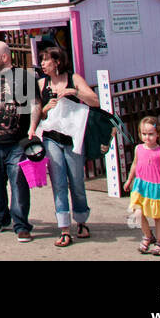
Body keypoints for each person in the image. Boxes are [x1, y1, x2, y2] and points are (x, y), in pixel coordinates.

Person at [32, 46, 99, 247]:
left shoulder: (74, 79)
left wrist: (74, 92)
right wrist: (45, 108)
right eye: (42, 60)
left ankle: (81, 221)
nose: (42, 64)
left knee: (76, 181)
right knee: (58, 182)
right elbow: (36, 113)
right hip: (51, 137)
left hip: (72, 137)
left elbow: (94, 101)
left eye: (46, 60)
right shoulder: (41, 83)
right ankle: (63, 228)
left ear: (57, 62)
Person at [0, 40, 39, 243]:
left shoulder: (25, 78)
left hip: (16, 142)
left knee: (18, 184)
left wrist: (32, 128)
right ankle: (0, 217)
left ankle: (21, 225)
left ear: (5, 57)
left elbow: (36, 104)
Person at [124, 116, 160, 255]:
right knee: (138, 212)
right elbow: (134, 164)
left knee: (157, 217)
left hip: (156, 188)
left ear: (158, 134)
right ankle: (147, 236)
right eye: (144, 134)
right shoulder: (138, 148)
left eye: (151, 134)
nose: (147, 137)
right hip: (140, 186)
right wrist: (129, 180)